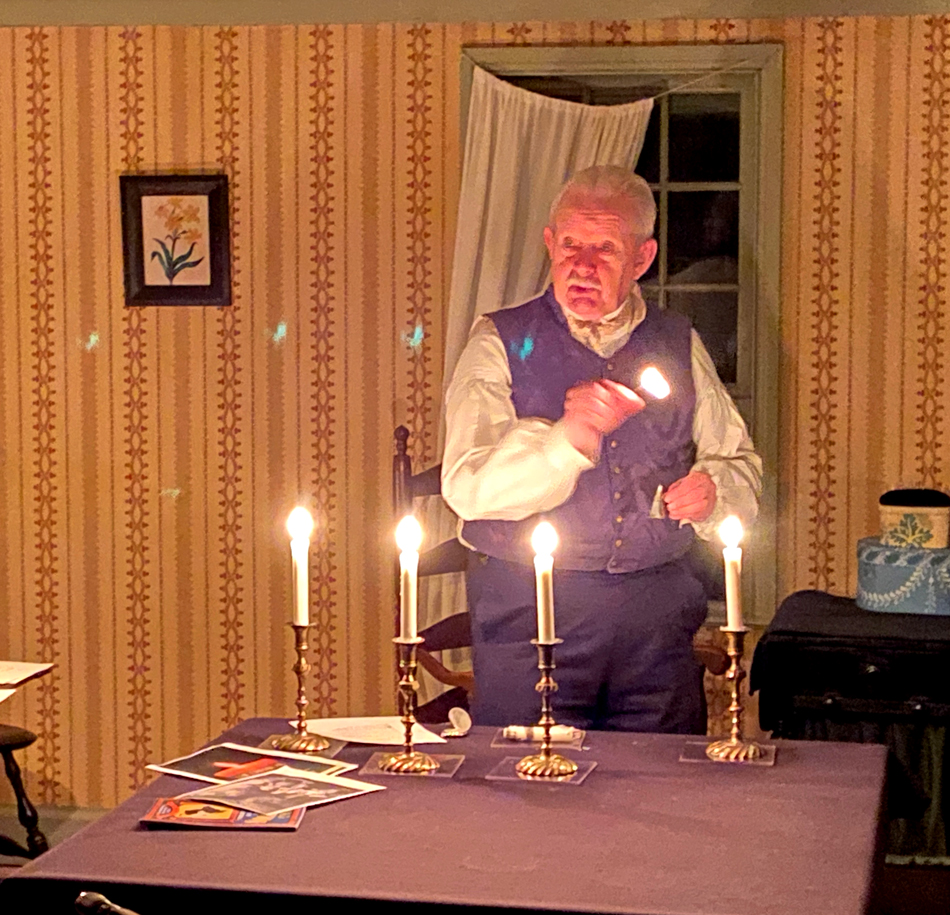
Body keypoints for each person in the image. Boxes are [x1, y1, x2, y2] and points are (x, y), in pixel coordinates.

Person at [441, 165, 762, 734]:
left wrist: (714, 490)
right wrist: (564, 441)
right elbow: (467, 489)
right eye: (570, 245)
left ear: (642, 258)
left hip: (656, 620)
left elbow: (736, 459)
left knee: (661, 777)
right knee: (528, 779)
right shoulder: (499, 341)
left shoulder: (677, 341)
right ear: (549, 243)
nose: (582, 265)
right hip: (530, 617)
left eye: (605, 248)